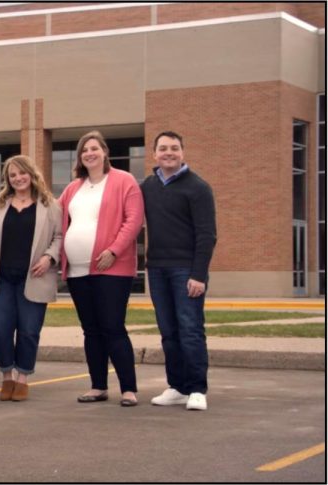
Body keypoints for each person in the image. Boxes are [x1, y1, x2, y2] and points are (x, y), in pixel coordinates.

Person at [58, 130, 144, 407]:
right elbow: (54, 216)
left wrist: (114, 251)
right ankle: (98, 386)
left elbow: (134, 220)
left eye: (94, 148)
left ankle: (129, 389)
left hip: (112, 269)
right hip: (77, 272)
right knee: (91, 330)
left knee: (113, 327)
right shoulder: (74, 188)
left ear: (104, 152)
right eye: (84, 150)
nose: (89, 153)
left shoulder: (124, 181)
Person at [141, 131, 217, 411]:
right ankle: (177, 387)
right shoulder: (147, 186)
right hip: (158, 269)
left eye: (174, 148)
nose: (168, 152)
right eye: (163, 148)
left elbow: (207, 235)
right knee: (168, 331)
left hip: (187, 270)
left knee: (191, 329)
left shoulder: (198, 187)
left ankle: (197, 389)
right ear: (154, 154)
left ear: (183, 152)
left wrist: (198, 275)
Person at [0, 155, 62, 401]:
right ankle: (7, 376)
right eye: (12, 175)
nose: (18, 178)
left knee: (29, 330)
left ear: (31, 174)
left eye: (22, 173)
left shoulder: (49, 204)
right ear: (7, 180)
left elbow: (59, 237)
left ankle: (22, 378)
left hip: (34, 277)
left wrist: (49, 257)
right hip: (2, 279)